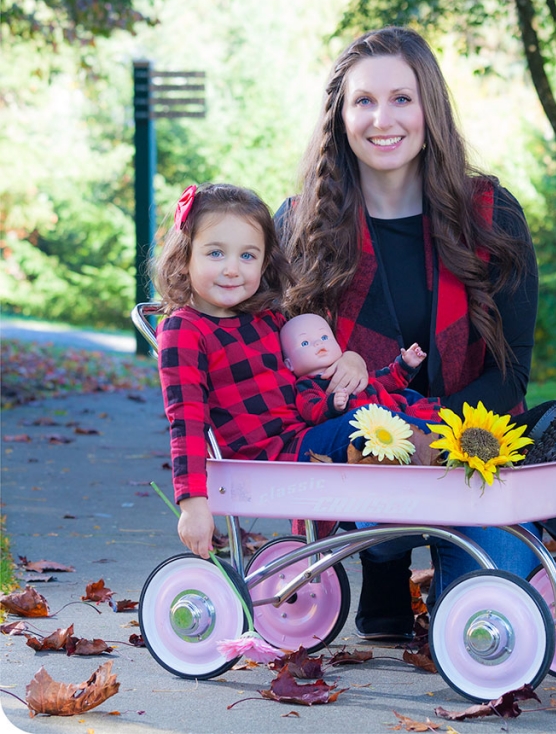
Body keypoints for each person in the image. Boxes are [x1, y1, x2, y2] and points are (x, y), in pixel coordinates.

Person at [276, 26, 556, 640]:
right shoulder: (303, 221)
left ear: (429, 107)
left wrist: (432, 435)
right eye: (363, 100)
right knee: (372, 478)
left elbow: (512, 371)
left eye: (401, 99)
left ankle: (448, 565)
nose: (382, 119)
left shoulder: (493, 214)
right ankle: (382, 562)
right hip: (366, 452)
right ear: (340, 113)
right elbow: (281, 359)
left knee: (486, 624)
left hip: (476, 448)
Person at [152, 182, 438, 559]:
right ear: (185, 256)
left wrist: (350, 359)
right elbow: (186, 421)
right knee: (374, 421)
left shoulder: (266, 318)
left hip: (305, 433)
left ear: (266, 261)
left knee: (404, 399)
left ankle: (464, 441)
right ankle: (459, 457)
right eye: (216, 253)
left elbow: (313, 365)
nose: (232, 269)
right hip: (266, 460)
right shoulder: (185, 330)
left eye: (248, 256)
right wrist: (192, 504)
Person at [280, 312, 441, 424]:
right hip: (372, 433)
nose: (318, 343)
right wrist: (332, 404)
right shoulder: (307, 385)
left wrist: (406, 364)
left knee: (438, 421)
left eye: (324, 337)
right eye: (305, 343)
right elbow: (310, 410)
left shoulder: (352, 370)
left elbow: (388, 380)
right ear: (289, 364)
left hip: (400, 415)